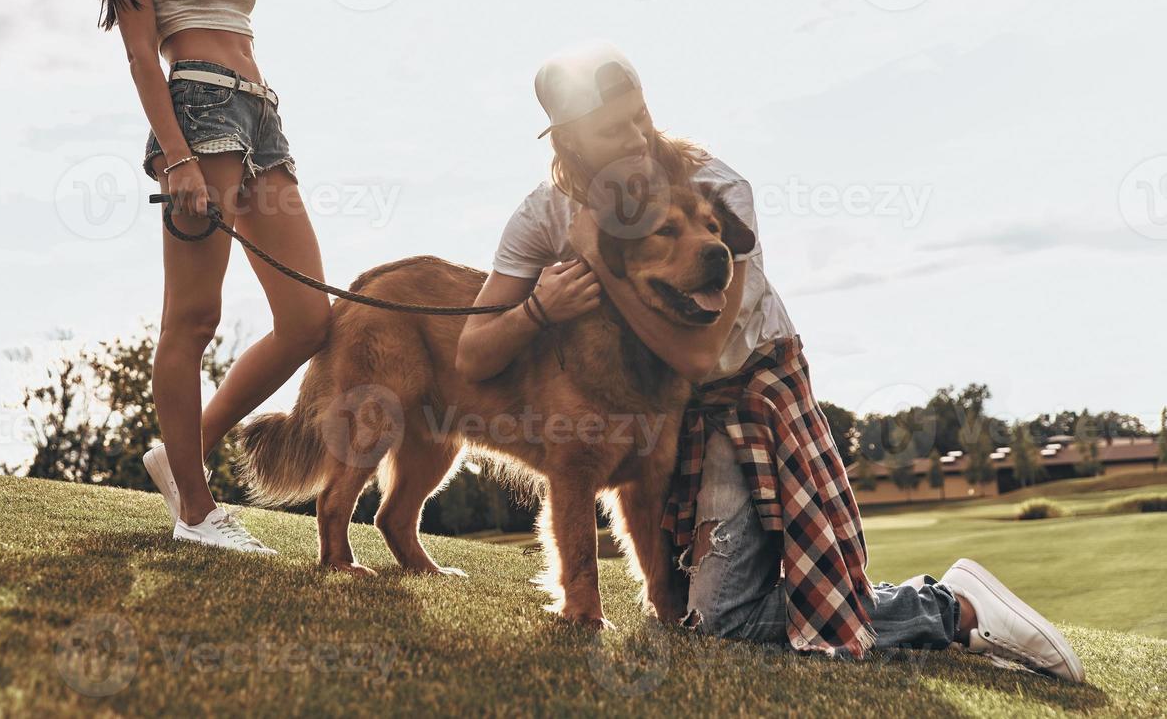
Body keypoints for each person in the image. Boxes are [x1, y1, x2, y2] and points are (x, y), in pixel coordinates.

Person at [453, 41, 1085, 682]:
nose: (640, 137)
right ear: (571, 140)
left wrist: (598, 262)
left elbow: (699, 357)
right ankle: (939, 606)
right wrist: (538, 308)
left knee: (722, 618)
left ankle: (953, 606)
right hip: (657, 413)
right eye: (616, 128)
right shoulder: (544, 213)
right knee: (687, 614)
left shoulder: (717, 188)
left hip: (746, 396)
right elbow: (473, 352)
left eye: (642, 114)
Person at [95, 0, 330, 554]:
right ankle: (195, 511)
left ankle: (180, 448)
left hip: (261, 113)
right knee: (193, 320)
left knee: (308, 320)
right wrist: (181, 157)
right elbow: (139, 55)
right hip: (199, 112)